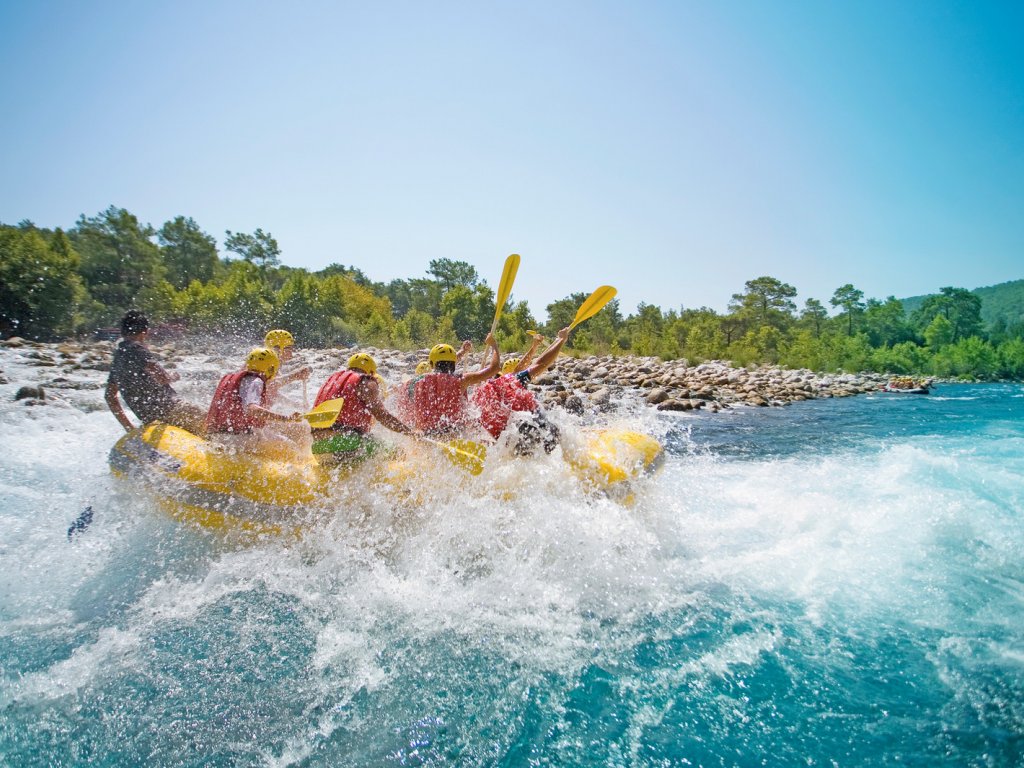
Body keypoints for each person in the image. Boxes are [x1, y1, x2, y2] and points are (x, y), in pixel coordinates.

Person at [105, 310, 208, 434]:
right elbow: (162, 377)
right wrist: (173, 377)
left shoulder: (118, 358)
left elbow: (110, 396)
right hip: (172, 410)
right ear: (144, 332)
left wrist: (129, 428)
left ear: (123, 332)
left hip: (149, 419)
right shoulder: (137, 348)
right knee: (214, 422)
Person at [472, 327, 571, 454]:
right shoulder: (512, 381)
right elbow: (540, 364)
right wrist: (561, 340)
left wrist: (535, 346)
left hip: (516, 443)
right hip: (541, 432)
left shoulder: (479, 400)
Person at [311, 352, 414, 463]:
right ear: (371, 372)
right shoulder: (366, 381)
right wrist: (410, 432)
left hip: (318, 448)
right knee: (399, 453)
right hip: (347, 445)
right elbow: (382, 416)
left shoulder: (331, 380)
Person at [205, 347, 308, 456]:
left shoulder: (235, 377)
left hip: (217, 435)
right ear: (271, 368)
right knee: (291, 447)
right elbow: (252, 409)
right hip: (241, 438)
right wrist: (286, 419)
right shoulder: (256, 381)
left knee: (269, 434)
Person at [412, 334, 499, 437]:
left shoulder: (419, 382)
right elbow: (494, 368)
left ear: (431, 364)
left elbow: (443, 367)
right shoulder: (462, 380)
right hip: (455, 432)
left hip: (427, 433)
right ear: (453, 364)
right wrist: (494, 346)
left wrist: (462, 351)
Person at [263, 329, 312, 404]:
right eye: (288, 348)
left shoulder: (273, 364)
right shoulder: (262, 362)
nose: (291, 352)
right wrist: (296, 375)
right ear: (279, 349)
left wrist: (295, 405)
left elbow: (273, 394)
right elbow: (269, 386)